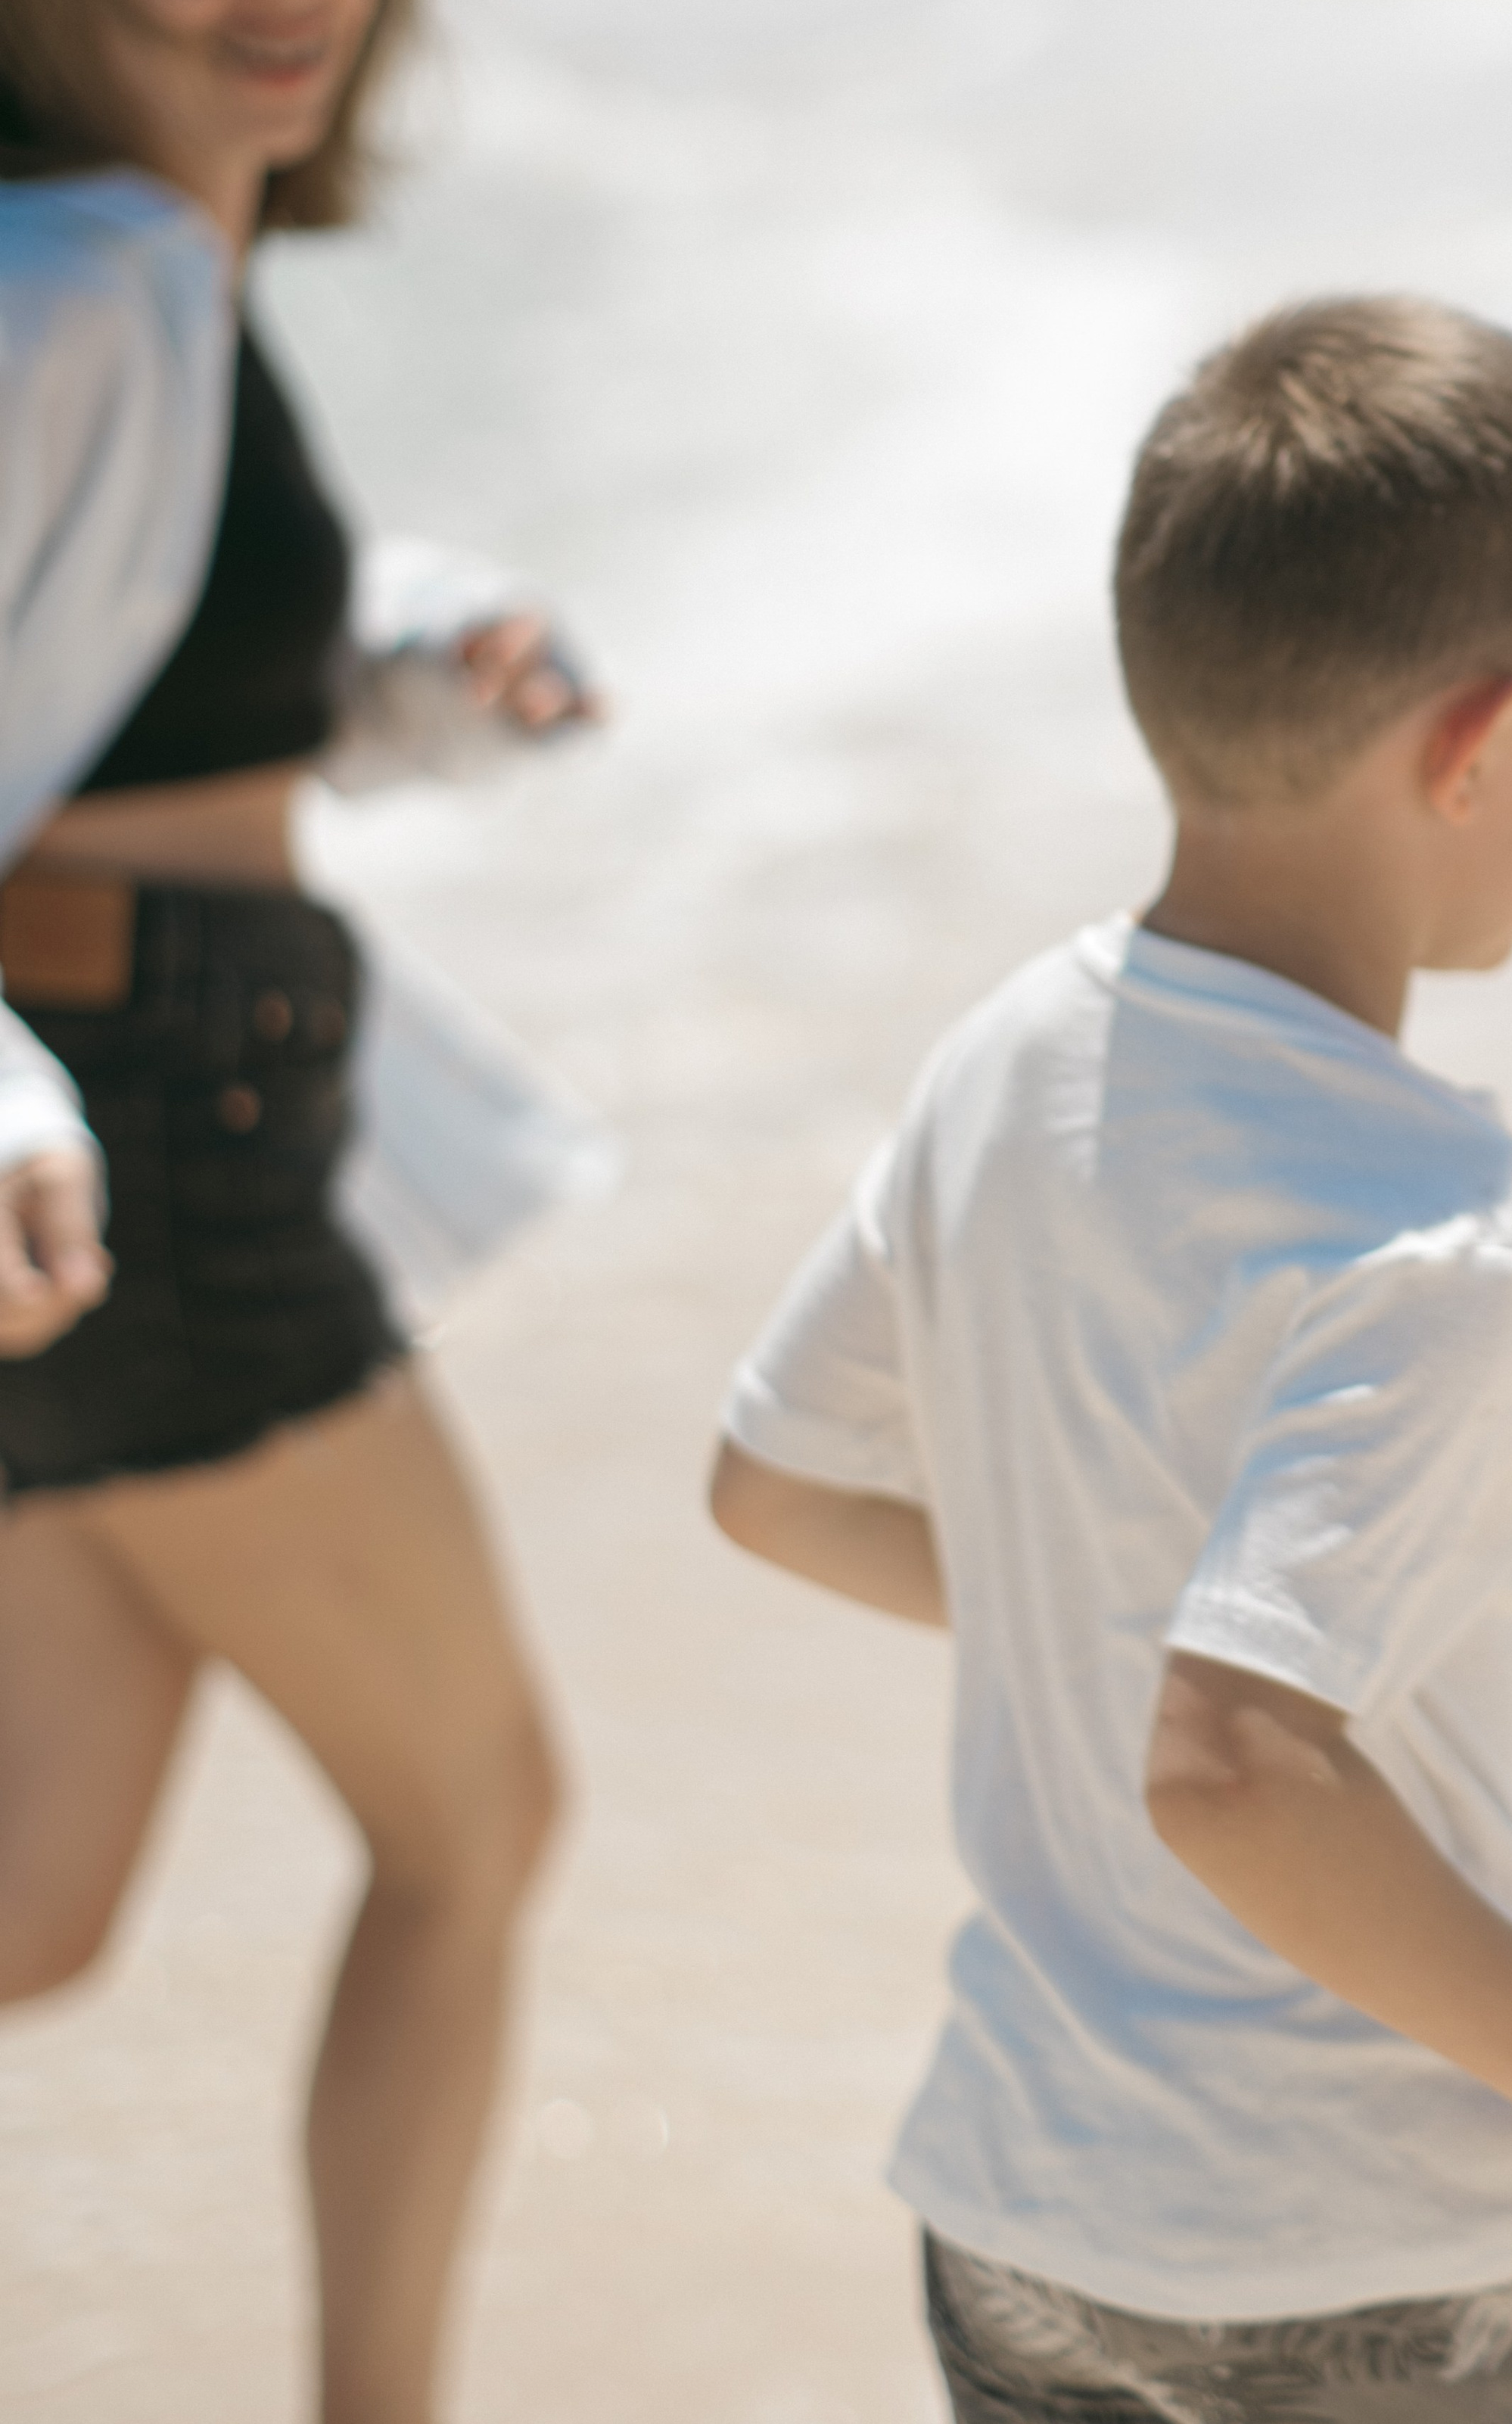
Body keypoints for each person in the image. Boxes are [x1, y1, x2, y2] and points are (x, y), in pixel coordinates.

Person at [709, 297, 1512, 2422]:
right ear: (1477, 745)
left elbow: (779, 1483)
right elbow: (1236, 1768)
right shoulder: (1444, 1226)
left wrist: (1087, 1605)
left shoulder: (1008, 1057)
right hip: (1385, 2228)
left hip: (1029, 2218)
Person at [0, 8, 602, 2420]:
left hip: (119, 1115)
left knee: (28, 1906)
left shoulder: (138, 267)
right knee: (476, 1816)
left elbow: (112, 684)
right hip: (137, 1137)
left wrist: (406, 661)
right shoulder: (75, 271)